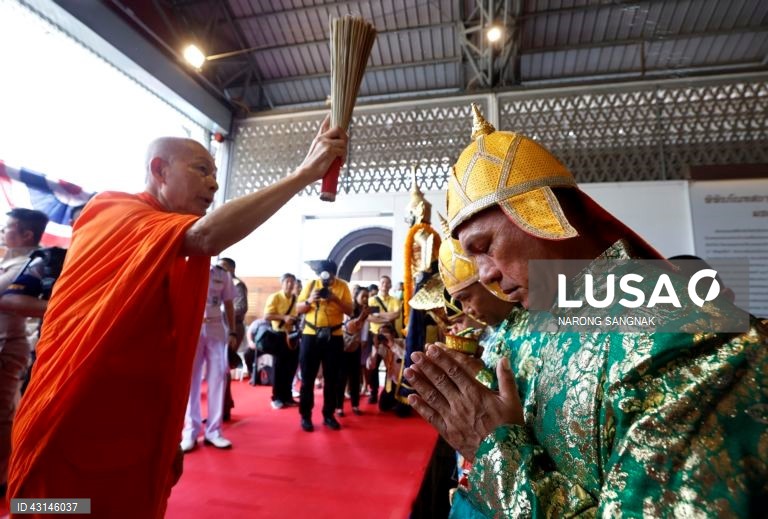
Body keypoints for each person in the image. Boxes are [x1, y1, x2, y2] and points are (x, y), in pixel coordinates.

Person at [404, 104, 768, 517]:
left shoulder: (685, 335)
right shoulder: (526, 325)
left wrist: (497, 454)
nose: (485, 276)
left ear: (539, 211)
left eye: (485, 246)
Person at [9, 118, 348, 517]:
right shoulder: (113, 208)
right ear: (159, 170)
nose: (214, 185)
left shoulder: (169, 242)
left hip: (136, 424)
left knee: (122, 506)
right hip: (75, 407)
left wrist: (167, 433)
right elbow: (205, 236)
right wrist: (305, 173)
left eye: (215, 173)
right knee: (55, 508)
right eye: (201, 169)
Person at [0, 209, 49, 496]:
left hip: (8, 345)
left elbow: (12, 300)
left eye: (8, 228)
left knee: (3, 414)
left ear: (27, 234)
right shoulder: (10, 261)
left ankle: (4, 476)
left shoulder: (35, 263)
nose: (3, 232)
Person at [180, 263, 236, 452]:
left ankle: (214, 432)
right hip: (192, 328)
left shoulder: (222, 274)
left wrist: (234, 332)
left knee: (217, 379)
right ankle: (190, 432)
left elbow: (228, 304)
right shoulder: (186, 269)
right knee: (191, 381)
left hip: (216, 328)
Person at [295, 259, 353, 432]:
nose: (326, 279)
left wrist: (335, 299)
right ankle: (305, 416)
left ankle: (329, 414)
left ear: (334, 275)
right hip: (311, 335)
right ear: (319, 275)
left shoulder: (342, 286)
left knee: (332, 379)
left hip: (334, 336)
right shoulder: (311, 284)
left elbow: (349, 311)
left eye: (330, 275)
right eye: (323, 275)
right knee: (307, 378)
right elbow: (298, 309)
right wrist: (309, 300)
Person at [217, 257, 248, 421]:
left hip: (233, 328)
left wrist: (219, 311)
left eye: (223, 267)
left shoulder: (237, 285)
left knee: (223, 367)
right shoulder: (218, 283)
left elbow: (241, 308)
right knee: (220, 369)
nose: (220, 270)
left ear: (232, 269)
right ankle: (224, 406)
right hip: (218, 328)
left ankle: (225, 407)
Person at [263, 273, 299, 409]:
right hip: (279, 335)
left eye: (292, 281)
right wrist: (283, 318)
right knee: (279, 368)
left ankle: (288, 397)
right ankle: (276, 398)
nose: (290, 284)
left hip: (293, 336)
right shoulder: (275, 297)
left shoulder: (296, 298)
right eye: (287, 281)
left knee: (291, 368)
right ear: (282, 283)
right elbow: (266, 316)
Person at [366, 275, 401, 404]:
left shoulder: (395, 300)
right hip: (375, 336)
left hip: (389, 337)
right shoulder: (371, 300)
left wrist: (378, 314)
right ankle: (373, 392)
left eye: (387, 283)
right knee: (373, 365)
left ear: (390, 285)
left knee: (391, 365)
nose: (385, 285)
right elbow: (369, 317)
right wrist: (387, 317)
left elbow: (396, 315)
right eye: (382, 283)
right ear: (379, 284)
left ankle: (389, 393)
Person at [338, 285, 370, 416]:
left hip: (357, 346)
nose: (365, 299)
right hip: (344, 347)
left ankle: (355, 405)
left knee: (355, 377)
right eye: (363, 296)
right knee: (342, 377)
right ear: (356, 297)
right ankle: (338, 407)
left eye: (367, 297)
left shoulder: (366, 310)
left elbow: (366, 327)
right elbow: (347, 327)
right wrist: (360, 318)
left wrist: (363, 341)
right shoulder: (349, 309)